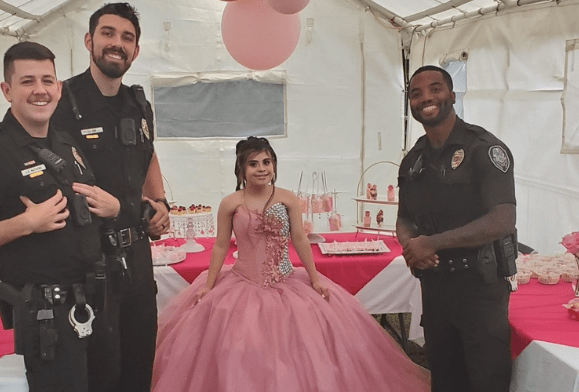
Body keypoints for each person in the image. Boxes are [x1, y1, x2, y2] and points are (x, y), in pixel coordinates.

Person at [150, 136, 431, 392]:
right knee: (237, 350)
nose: (261, 168)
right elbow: (221, 246)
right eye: (253, 163)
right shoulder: (230, 203)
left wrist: (315, 277)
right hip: (242, 283)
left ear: (274, 165)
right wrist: (208, 286)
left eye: (267, 162)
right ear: (241, 169)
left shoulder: (287, 198)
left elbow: (299, 238)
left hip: (286, 282)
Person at [0, 42, 121, 392]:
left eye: (47, 80)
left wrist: (112, 209)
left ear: (59, 88)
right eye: (27, 81)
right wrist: (25, 224)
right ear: (7, 90)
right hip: (47, 316)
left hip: (94, 303)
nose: (39, 90)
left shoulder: (65, 143)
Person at [51, 3, 169, 391]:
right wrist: (122, 209)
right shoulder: (60, 103)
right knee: (101, 376)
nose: (117, 44)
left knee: (139, 370)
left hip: (136, 262)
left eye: (127, 38)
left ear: (135, 50)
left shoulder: (138, 104)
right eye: (108, 33)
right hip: (88, 267)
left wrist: (160, 203)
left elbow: (147, 156)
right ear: (89, 40)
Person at [396, 65, 517, 392]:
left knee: (486, 382)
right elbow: (404, 219)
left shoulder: (484, 149)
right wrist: (412, 249)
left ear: (451, 95)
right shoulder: (413, 161)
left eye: (435, 89)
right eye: (416, 93)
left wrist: (431, 243)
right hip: (435, 291)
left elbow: (503, 219)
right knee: (446, 382)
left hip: (480, 288)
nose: (426, 98)